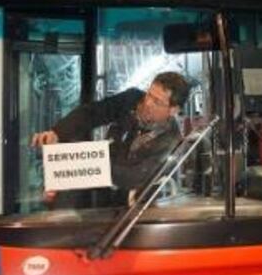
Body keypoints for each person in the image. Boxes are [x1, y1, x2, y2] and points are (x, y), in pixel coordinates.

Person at [32, 71, 189, 205]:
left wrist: (80, 166)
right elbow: (93, 113)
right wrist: (58, 133)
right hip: (96, 197)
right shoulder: (132, 100)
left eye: (157, 102)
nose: (148, 103)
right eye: (149, 94)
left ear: (173, 110)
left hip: (127, 215)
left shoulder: (172, 142)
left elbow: (133, 177)